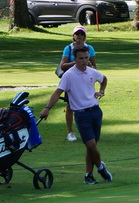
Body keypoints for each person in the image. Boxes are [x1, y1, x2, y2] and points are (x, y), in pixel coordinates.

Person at [39, 45, 111, 184]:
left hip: (95, 111)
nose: (84, 61)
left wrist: (101, 91)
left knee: (92, 147)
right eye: (81, 58)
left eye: (86, 58)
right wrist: (47, 108)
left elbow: (104, 79)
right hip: (81, 114)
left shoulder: (92, 72)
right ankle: (101, 167)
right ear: (75, 59)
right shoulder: (69, 75)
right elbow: (57, 93)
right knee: (91, 145)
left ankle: (88, 175)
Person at [57, 26, 97, 142]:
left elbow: (94, 66)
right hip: (71, 80)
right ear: (73, 36)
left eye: (81, 34)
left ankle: (88, 130)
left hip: (85, 79)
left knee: (88, 105)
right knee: (70, 106)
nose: (79, 36)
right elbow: (63, 65)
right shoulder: (68, 48)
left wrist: (89, 66)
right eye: (77, 34)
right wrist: (76, 63)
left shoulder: (89, 48)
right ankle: (70, 132)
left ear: (84, 36)